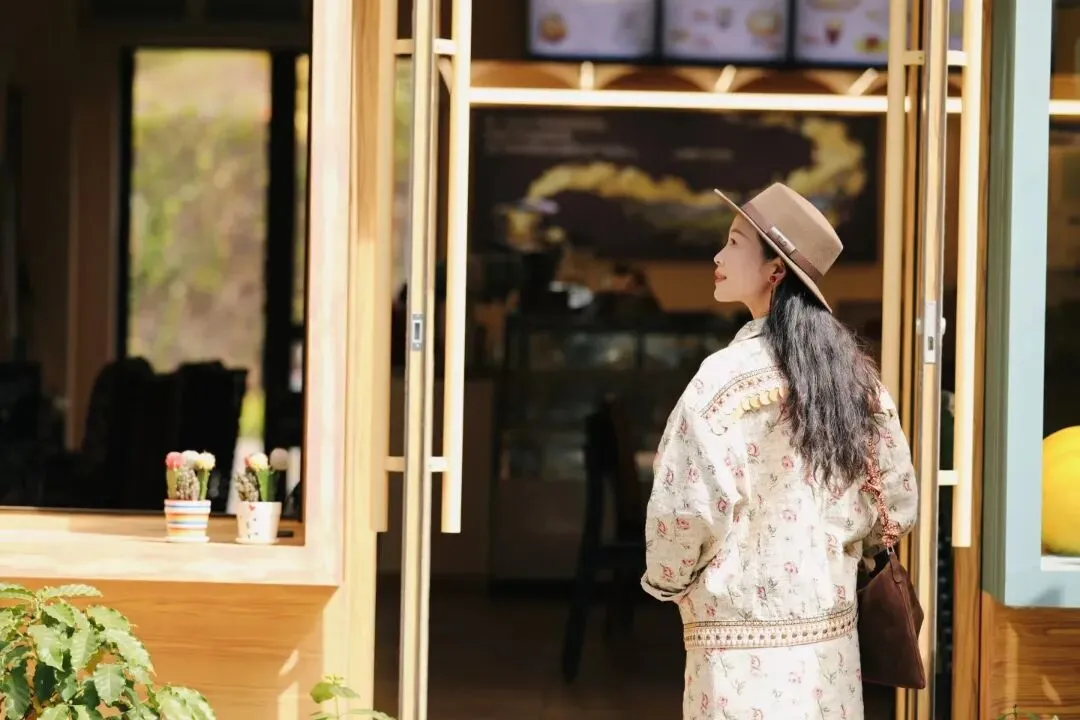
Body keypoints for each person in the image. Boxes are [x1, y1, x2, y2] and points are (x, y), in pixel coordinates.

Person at [641, 183, 918, 720]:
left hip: (734, 650)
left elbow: (685, 509)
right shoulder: (856, 379)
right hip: (830, 645)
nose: (718, 256)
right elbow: (897, 502)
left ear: (775, 270)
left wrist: (669, 581)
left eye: (733, 242)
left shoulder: (721, 379)